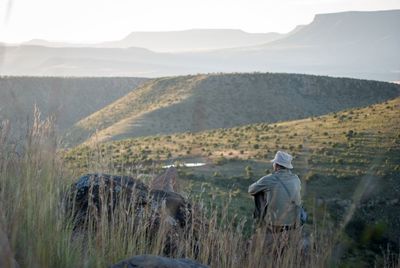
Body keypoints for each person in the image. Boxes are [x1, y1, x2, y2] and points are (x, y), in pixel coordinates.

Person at [248, 151, 301, 232]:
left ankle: (259, 222)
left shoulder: (270, 179)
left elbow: (251, 190)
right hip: (293, 222)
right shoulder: (296, 179)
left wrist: (264, 188)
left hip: (275, 223)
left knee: (258, 193)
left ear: (276, 165)